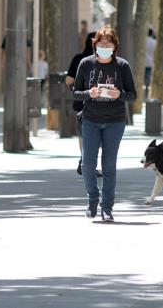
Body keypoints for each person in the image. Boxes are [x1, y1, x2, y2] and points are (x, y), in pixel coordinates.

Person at [73, 25, 136, 222]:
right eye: (101, 42)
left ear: (115, 46)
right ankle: (92, 198)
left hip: (115, 122)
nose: (104, 45)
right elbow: (75, 92)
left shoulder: (122, 66)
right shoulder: (86, 64)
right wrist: (88, 93)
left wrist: (120, 95)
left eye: (108, 42)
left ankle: (107, 207)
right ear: (95, 44)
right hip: (91, 120)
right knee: (87, 164)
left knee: (109, 166)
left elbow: (132, 95)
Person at [66, 32, 101, 176]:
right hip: (100, 103)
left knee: (83, 134)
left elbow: (68, 80)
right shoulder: (104, 61)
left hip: (81, 102)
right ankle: (87, 162)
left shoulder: (78, 59)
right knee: (97, 134)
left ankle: (85, 161)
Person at [144, 28, 157, 96]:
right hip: (150, 61)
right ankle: (147, 88)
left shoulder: (143, 41)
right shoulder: (154, 42)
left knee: (144, 74)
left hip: (143, 61)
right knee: (148, 75)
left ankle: (144, 88)